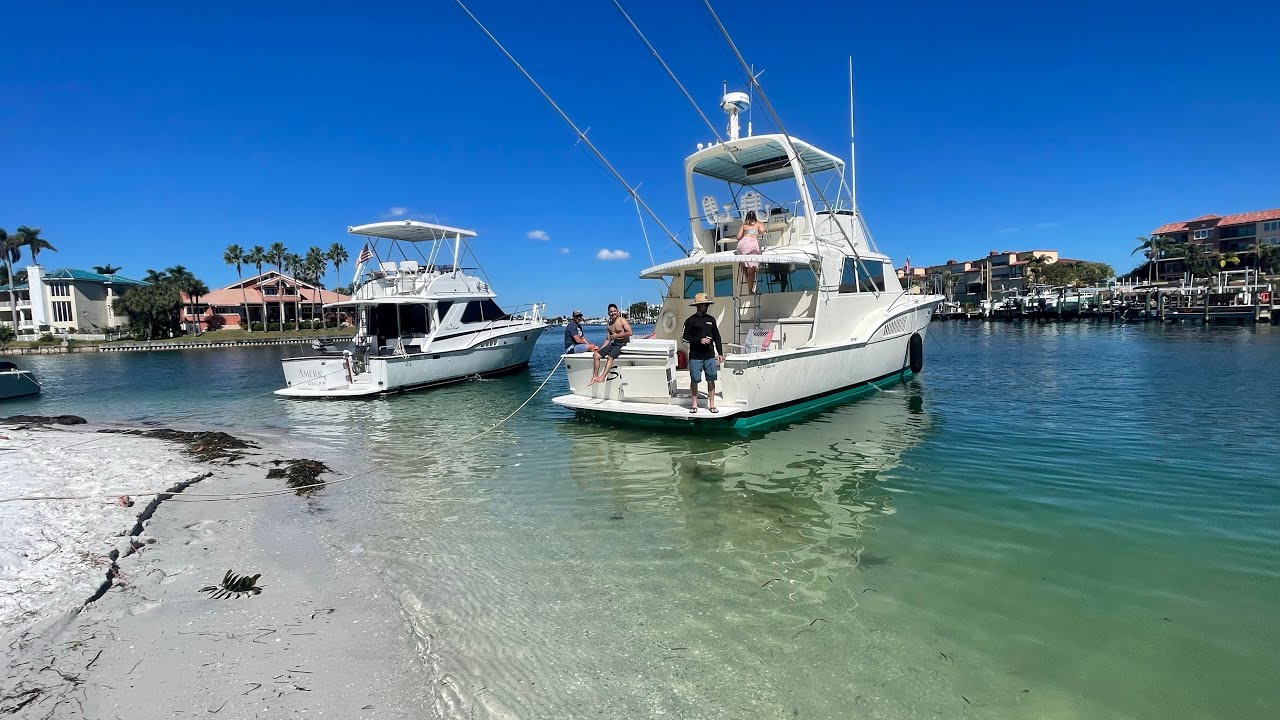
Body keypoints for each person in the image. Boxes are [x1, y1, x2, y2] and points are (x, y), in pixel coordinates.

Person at [681, 292, 724, 413]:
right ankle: (694, 405)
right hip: (695, 356)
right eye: (704, 305)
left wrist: (720, 352)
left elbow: (717, 336)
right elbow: (685, 337)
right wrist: (699, 340)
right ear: (698, 306)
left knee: (711, 379)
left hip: (709, 355)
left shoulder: (711, 319)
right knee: (695, 380)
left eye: (707, 305)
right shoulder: (690, 321)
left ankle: (712, 404)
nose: (706, 306)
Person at [588, 303, 632, 385]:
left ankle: (603, 377)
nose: (613, 313)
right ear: (608, 314)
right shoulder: (609, 325)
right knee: (596, 355)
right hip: (614, 344)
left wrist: (617, 335)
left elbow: (630, 332)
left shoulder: (622, 320)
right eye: (611, 312)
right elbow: (608, 339)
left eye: (614, 311)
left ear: (618, 311)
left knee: (610, 357)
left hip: (623, 344)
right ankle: (595, 376)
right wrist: (601, 349)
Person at [735, 210, 765, 293]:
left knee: (746, 266)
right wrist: (757, 227)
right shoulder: (758, 224)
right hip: (751, 245)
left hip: (742, 244)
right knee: (752, 268)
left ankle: (749, 286)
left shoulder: (744, 225)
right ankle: (750, 290)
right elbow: (763, 230)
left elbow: (738, 237)